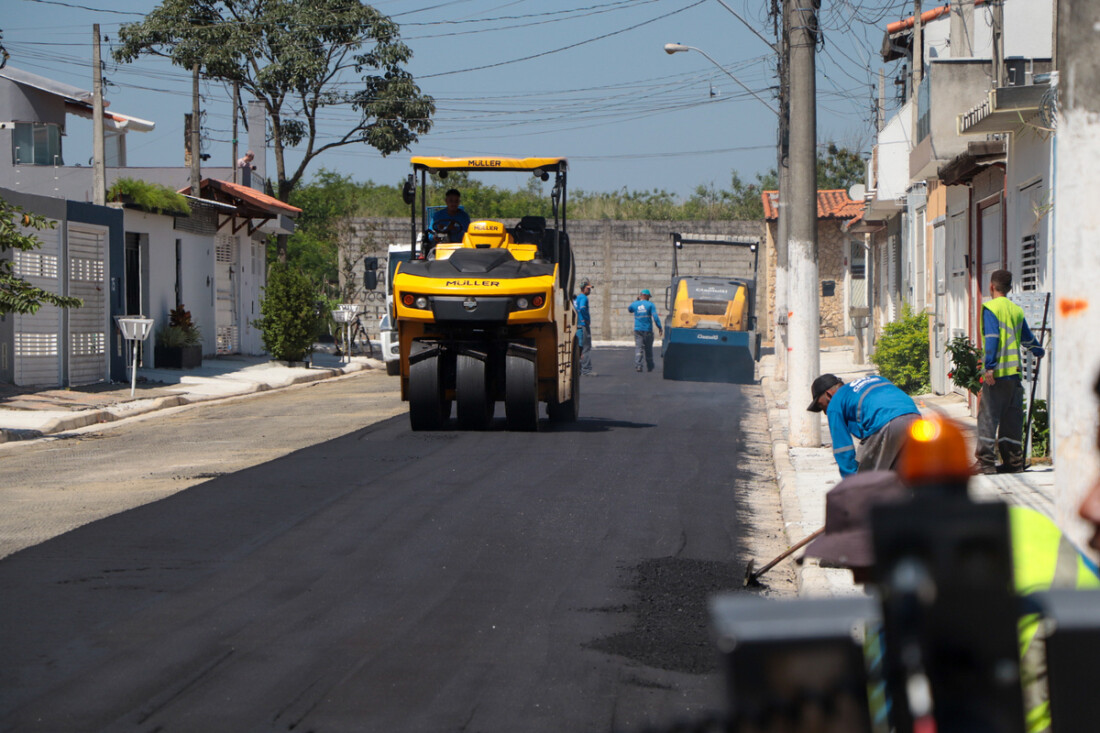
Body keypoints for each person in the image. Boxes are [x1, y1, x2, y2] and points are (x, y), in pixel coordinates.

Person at [806, 467, 1100, 733]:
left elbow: (887, 711)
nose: (856, 579)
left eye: (855, 565)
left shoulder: (917, 600)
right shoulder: (1017, 518)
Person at [975, 269, 1046, 474]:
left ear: (991, 286)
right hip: (1014, 376)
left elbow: (992, 337)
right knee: (1011, 419)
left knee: (988, 418)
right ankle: (1013, 462)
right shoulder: (1016, 310)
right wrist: (1039, 350)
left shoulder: (990, 308)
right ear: (1010, 288)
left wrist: (989, 367)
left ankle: (986, 463)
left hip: (996, 376)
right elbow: (1027, 338)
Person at [808, 373, 920, 477]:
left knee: (868, 482)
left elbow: (843, 449)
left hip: (884, 423)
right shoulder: (876, 379)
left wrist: (852, 482)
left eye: (821, 406)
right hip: (916, 419)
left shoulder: (835, 402)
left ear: (828, 394)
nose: (824, 412)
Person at [627, 288, 662, 372]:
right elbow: (655, 317)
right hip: (648, 330)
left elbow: (629, 309)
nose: (649, 298)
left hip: (638, 330)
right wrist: (659, 327)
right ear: (646, 296)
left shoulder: (635, 304)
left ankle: (638, 366)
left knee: (639, 348)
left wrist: (637, 301)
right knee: (648, 348)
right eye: (649, 296)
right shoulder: (650, 305)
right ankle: (650, 366)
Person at [574, 280, 596, 376]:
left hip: (577, 325)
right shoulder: (583, 298)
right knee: (586, 348)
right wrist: (586, 319)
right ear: (583, 288)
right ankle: (586, 370)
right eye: (588, 288)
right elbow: (583, 308)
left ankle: (578, 369)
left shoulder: (577, 298)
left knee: (579, 347)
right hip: (583, 325)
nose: (589, 290)